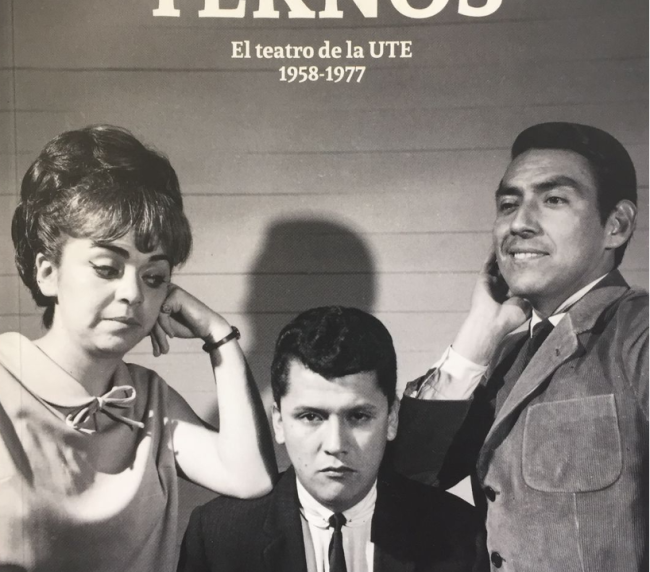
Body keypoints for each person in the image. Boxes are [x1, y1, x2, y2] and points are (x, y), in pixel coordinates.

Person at [0, 125, 277, 572]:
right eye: (107, 268)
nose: (133, 294)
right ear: (47, 273)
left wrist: (218, 335)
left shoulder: (149, 400)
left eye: (154, 277)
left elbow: (252, 478)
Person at [393, 122, 647, 571]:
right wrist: (477, 337)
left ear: (617, 225)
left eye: (554, 200)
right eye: (508, 204)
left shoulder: (638, 331)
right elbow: (406, 480)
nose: (519, 223)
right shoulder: (504, 356)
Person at [178, 306, 488, 572]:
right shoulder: (218, 535)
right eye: (311, 417)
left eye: (359, 416)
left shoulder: (459, 531)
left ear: (392, 418)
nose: (336, 445)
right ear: (279, 422)